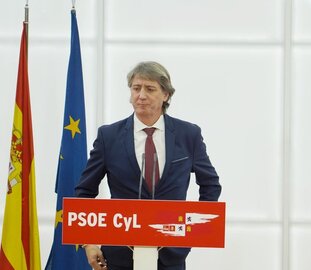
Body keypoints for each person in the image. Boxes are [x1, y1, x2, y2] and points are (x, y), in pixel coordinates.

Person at [75, 61, 222, 270]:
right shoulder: (108, 136)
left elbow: (211, 185)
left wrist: (193, 233)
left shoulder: (188, 135)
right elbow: (84, 192)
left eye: (150, 89)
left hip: (171, 253)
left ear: (166, 95)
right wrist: (88, 243)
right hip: (118, 254)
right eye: (136, 88)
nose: (141, 95)